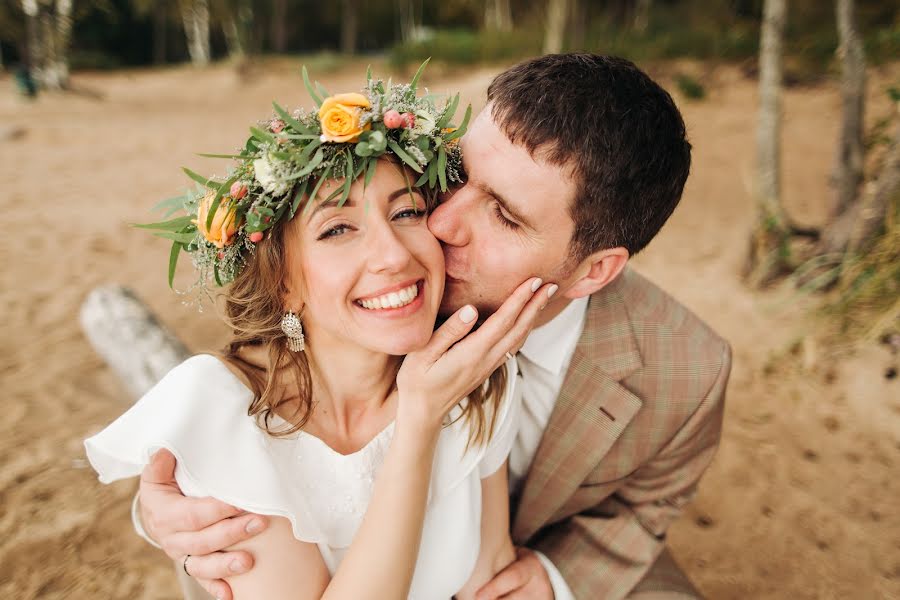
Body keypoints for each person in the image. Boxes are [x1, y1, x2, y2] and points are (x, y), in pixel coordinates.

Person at [136, 54, 732, 600]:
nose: (440, 223)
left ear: (595, 270)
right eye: (454, 174)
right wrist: (167, 503)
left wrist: (555, 578)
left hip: (537, 550)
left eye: (503, 214)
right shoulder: (385, 292)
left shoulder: (689, 368)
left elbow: (647, 506)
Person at [85, 69, 557, 600]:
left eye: (406, 212)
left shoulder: (472, 379)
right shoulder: (222, 412)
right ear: (283, 282)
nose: (394, 255)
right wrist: (418, 419)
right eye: (337, 229)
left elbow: (489, 576)